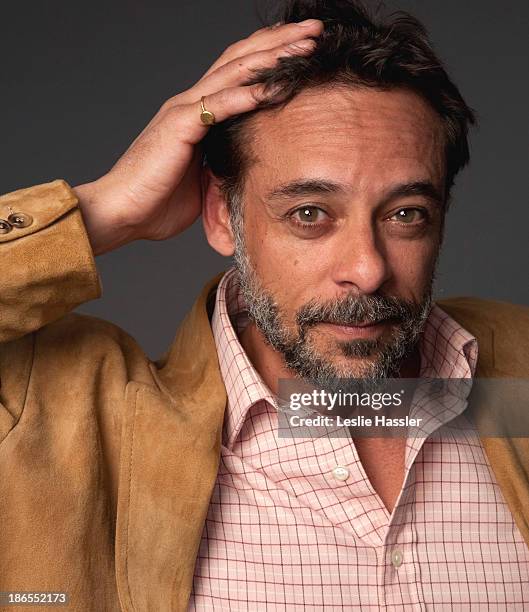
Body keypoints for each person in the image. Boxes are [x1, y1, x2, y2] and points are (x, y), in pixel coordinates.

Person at [1, 0, 528, 609]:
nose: (368, 269)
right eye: (309, 214)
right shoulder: (71, 420)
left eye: (405, 214)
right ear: (224, 215)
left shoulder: (508, 383)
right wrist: (101, 212)